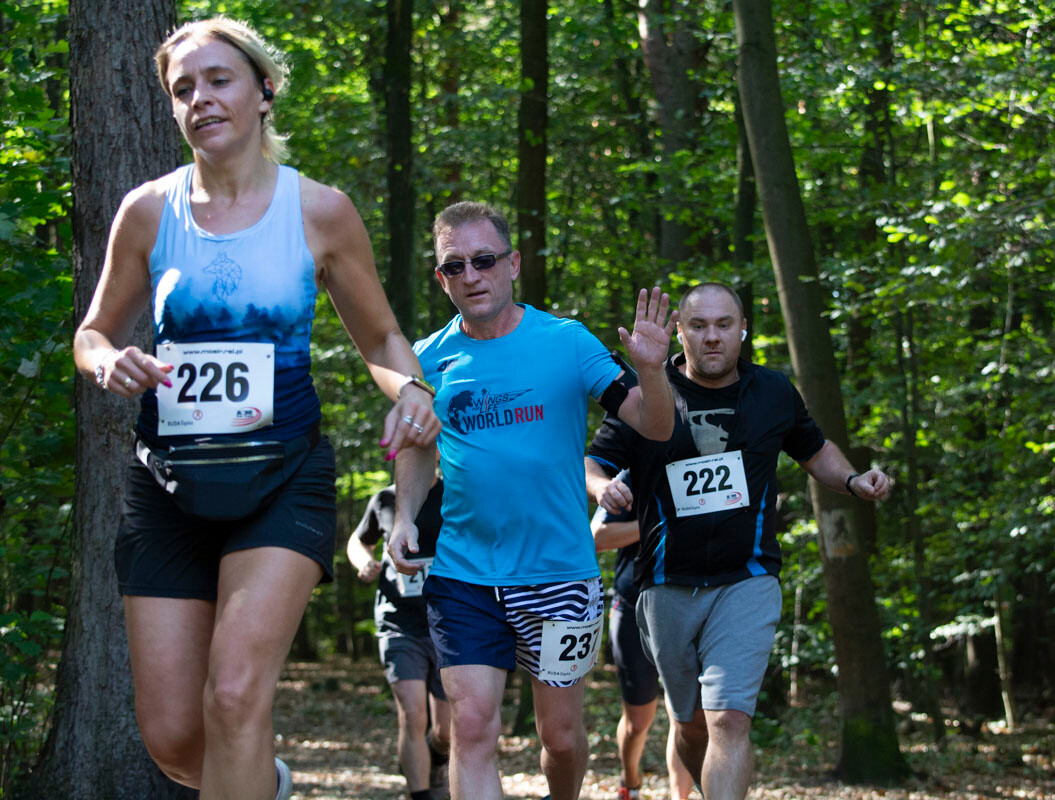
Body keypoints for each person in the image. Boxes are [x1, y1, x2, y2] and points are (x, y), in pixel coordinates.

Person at [72, 17, 439, 800]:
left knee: (236, 696)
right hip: (166, 488)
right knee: (175, 738)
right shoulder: (148, 211)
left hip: (282, 481)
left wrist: (412, 388)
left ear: (264, 91)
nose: (200, 99)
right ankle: (264, 784)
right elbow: (94, 331)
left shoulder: (319, 210)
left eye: (219, 80)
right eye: (183, 89)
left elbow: (381, 336)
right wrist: (106, 360)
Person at [385, 200, 678, 800]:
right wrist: (405, 518)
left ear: (513, 263)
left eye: (484, 260)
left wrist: (651, 371)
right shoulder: (427, 358)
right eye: (455, 266)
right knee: (471, 727)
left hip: (559, 573)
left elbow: (654, 425)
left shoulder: (567, 342)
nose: (471, 276)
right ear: (440, 278)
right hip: (464, 574)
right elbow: (416, 447)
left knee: (561, 739)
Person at [585, 282, 893, 800]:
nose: (712, 337)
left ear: (743, 329)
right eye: (699, 326)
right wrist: (602, 487)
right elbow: (594, 462)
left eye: (724, 325)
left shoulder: (772, 391)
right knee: (690, 728)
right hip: (664, 584)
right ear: (679, 331)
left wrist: (852, 479)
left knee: (728, 719)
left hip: (746, 579)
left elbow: (814, 449)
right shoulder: (649, 393)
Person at [591, 470, 693, 800]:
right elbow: (597, 536)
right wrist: (661, 521)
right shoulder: (632, 474)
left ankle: (680, 795)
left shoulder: (706, 463)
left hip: (689, 606)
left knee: (685, 717)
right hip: (634, 607)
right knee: (638, 721)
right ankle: (630, 782)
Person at [347, 480, 451, 800]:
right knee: (412, 714)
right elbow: (358, 540)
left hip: (448, 624)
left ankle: (436, 758)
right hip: (398, 623)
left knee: (446, 732)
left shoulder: (455, 493)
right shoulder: (385, 499)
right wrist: (364, 562)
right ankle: (419, 794)